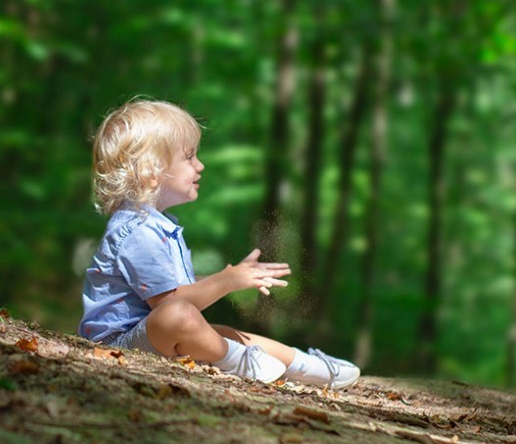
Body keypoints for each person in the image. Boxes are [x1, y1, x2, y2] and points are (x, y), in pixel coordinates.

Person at [78, 98, 360, 389]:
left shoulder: (156, 225)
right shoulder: (138, 232)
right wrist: (227, 281)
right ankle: (243, 362)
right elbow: (171, 304)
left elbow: (173, 290)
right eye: (189, 157)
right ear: (151, 171)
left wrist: (230, 277)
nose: (200, 165)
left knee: (220, 331)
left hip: (151, 335)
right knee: (181, 316)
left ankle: (306, 366)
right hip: (121, 345)